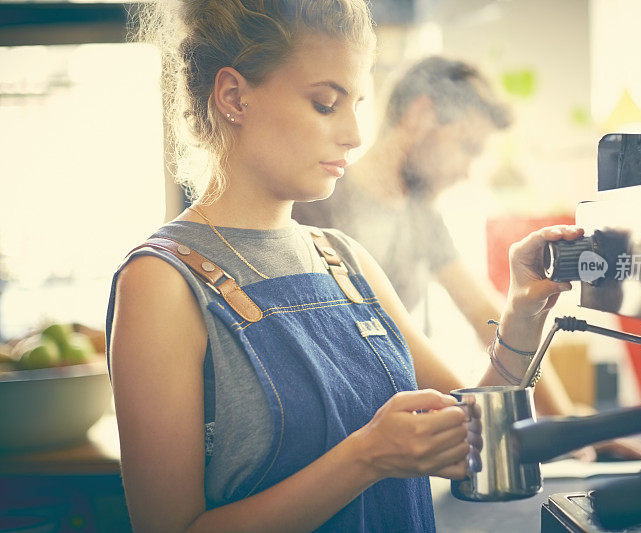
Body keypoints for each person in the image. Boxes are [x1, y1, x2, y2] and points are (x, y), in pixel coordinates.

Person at [106, 1, 582, 531]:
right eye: (326, 104)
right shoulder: (162, 282)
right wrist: (367, 458)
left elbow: (465, 433)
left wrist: (523, 309)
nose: (355, 134)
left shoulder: (345, 259)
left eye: (358, 102)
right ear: (234, 97)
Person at [292, 57, 606, 424]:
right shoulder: (315, 209)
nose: (466, 170)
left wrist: (563, 416)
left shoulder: (421, 218)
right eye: (467, 146)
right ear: (422, 114)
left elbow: (483, 311)